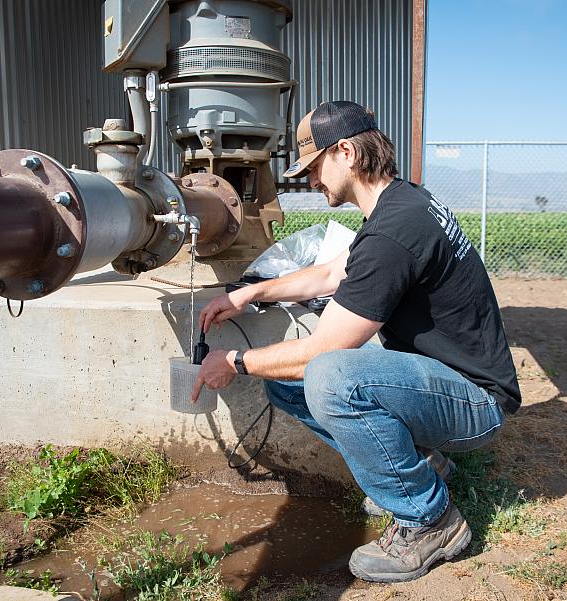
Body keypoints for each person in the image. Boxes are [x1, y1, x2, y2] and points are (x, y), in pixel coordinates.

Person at [192, 100, 521, 583]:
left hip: (476, 403)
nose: (309, 181)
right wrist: (251, 292)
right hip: (442, 381)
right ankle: (420, 462)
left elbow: (324, 352)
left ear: (345, 151)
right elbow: (331, 272)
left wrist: (235, 360)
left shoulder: (395, 231)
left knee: (329, 373)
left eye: (314, 167)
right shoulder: (400, 205)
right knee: (286, 385)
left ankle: (429, 519)